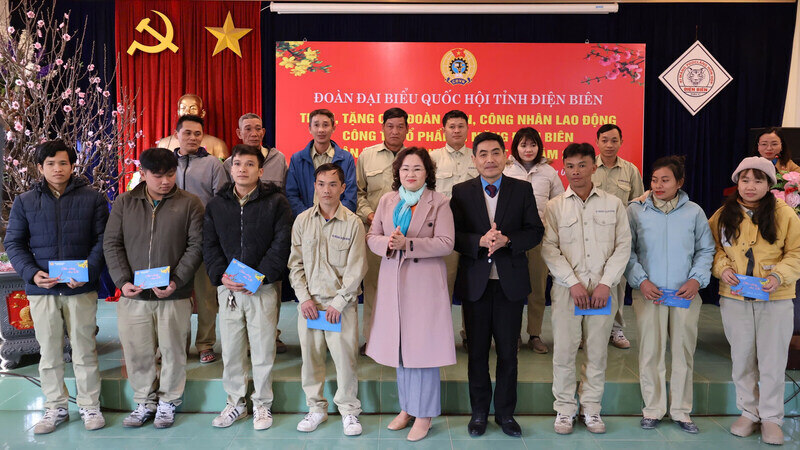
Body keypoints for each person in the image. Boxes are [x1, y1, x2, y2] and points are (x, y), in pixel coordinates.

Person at [4, 140, 108, 434]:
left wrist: (87, 272)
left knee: (85, 350)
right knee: (49, 353)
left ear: (72, 165)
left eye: (63, 163)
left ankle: (90, 406)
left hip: (79, 289)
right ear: (40, 168)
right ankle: (55, 408)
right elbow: (14, 242)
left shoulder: (93, 199)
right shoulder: (25, 202)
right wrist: (32, 273)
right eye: (50, 164)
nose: (57, 168)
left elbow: (103, 241)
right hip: (42, 290)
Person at [450, 132, 543, 438]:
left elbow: (535, 231)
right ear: (474, 159)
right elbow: (454, 236)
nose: (489, 160)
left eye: (495, 153)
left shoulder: (522, 189)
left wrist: (508, 240)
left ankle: (505, 413)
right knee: (476, 352)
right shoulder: (461, 191)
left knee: (507, 353)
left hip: (509, 285)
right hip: (476, 283)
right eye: (483, 154)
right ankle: (479, 413)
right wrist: (479, 240)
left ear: (506, 156)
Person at [104, 147, 204, 429]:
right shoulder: (124, 203)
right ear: (143, 174)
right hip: (134, 295)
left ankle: (169, 402)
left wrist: (177, 280)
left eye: (170, 175)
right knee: (137, 351)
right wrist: (122, 281)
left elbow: (196, 245)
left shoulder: (190, 204)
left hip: (175, 294)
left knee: (174, 351)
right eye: (157, 176)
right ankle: (144, 401)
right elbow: (112, 243)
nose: (165, 181)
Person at [708, 156, 800, 445]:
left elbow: (796, 253)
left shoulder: (785, 214)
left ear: (769, 184)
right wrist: (722, 269)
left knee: (773, 360)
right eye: (745, 180)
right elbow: (711, 250)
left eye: (758, 180)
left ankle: (772, 418)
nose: (750, 186)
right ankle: (748, 412)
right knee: (742, 358)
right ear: (737, 182)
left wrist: (779, 277)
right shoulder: (724, 215)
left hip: (776, 298)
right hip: (735, 298)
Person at [366, 147, 456, 441]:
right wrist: (388, 244)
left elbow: (445, 242)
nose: (411, 174)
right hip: (394, 280)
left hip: (425, 284)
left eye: (417, 169)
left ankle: (425, 414)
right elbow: (372, 236)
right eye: (405, 169)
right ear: (398, 172)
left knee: (424, 352)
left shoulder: (439, 202)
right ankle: (407, 408)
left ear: (427, 172)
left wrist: (409, 244)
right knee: (401, 349)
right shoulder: (388, 200)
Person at [541, 142, 631, 435]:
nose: (576, 172)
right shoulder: (555, 206)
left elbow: (623, 247)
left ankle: (591, 408)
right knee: (564, 352)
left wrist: (606, 284)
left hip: (602, 293)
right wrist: (573, 283)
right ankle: (565, 410)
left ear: (594, 166)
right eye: (570, 166)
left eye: (582, 165)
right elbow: (549, 248)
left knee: (596, 352)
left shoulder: (613, 203)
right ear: (563, 169)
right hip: (569, 292)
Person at [203, 144, 292, 431]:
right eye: (238, 164)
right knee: (231, 349)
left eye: (249, 164)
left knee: (263, 349)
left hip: (261, 289)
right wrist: (220, 275)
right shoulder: (217, 205)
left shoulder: (276, 202)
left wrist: (261, 276)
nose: (243, 169)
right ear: (231, 168)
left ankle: (262, 405)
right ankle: (236, 403)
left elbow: (282, 243)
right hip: (228, 289)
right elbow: (210, 245)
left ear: (261, 170)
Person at [624, 156, 715, 433]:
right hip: (649, 294)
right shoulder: (636, 211)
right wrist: (640, 280)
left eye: (665, 180)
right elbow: (627, 250)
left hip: (684, 294)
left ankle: (681, 411)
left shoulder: (695, 212)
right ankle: (652, 409)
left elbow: (706, 250)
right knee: (650, 352)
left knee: (682, 352)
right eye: (654, 180)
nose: (658, 185)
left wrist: (696, 280)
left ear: (680, 183)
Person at [289, 163, 368, 436]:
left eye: (333, 184)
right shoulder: (302, 221)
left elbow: (357, 268)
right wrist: (304, 299)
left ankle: (349, 411)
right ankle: (316, 409)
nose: (326, 190)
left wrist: (339, 302)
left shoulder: (354, 223)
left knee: (345, 360)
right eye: (321, 183)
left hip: (340, 308)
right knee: (311, 360)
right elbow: (295, 266)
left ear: (343, 188)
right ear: (314, 186)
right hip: (310, 306)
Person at [223, 112, 289, 353]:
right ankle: (245, 340)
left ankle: (274, 334)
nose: (254, 132)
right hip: (240, 236)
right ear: (239, 133)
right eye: (248, 128)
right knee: (240, 293)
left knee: (272, 289)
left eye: (258, 128)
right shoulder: (229, 163)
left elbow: (286, 195)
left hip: (270, 237)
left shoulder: (278, 158)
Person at [503, 127, 565, 354]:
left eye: (532, 145)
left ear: (539, 146)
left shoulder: (549, 173)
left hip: (539, 238)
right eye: (523, 145)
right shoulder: (506, 171)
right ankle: (514, 334)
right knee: (512, 289)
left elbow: (559, 205)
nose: (528, 150)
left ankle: (535, 334)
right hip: (510, 241)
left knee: (537, 290)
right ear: (515, 147)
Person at [173, 114, 228, 364]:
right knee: (177, 295)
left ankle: (206, 344)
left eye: (198, 133)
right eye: (187, 133)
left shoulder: (214, 165)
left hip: (204, 240)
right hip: (173, 241)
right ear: (177, 135)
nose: (193, 138)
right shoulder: (166, 163)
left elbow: (221, 202)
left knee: (207, 296)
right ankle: (177, 345)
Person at [357, 107, 409, 354]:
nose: (395, 131)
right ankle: (372, 339)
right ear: (382, 127)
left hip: (410, 237)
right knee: (374, 289)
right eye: (390, 126)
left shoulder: (418, 157)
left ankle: (404, 339)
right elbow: (357, 193)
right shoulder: (367, 156)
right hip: (376, 237)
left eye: (400, 126)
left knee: (407, 290)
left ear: (407, 129)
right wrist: (371, 216)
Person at [591, 123, 644, 350]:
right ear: (598, 141)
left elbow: (638, 204)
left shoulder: (630, 170)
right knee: (593, 283)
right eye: (605, 140)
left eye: (614, 140)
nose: (609, 145)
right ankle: (591, 331)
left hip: (619, 238)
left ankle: (616, 330)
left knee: (618, 285)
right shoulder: (589, 167)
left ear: (621, 142)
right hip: (591, 237)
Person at [430, 109, 477, 351]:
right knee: (443, 285)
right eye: (452, 126)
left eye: (461, 126)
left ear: (468, 129)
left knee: (472, 286)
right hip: (443, 234)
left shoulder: (478, 157)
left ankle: (470, 334)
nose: (457, 130)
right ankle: (442, 335)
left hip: (472, 233)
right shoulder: (432, 158)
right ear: (443, 130)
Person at [286, 108, 357, 217]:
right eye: (316, 125)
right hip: (306, 222)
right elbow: (291, 195)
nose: (321, 130)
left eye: (325, 125)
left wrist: (333, 217)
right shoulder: (297, 159)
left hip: (338, 222)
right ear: (310, 129)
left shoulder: (346, 159)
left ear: (333, 128)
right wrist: (308, 217)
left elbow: (350, 196)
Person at [156, 93, 229, 159]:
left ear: (202, 113)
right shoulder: (164, 144)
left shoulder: (217, 145)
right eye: (183, 108)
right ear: (178, 112)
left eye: (193, 108)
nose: (187, 112)